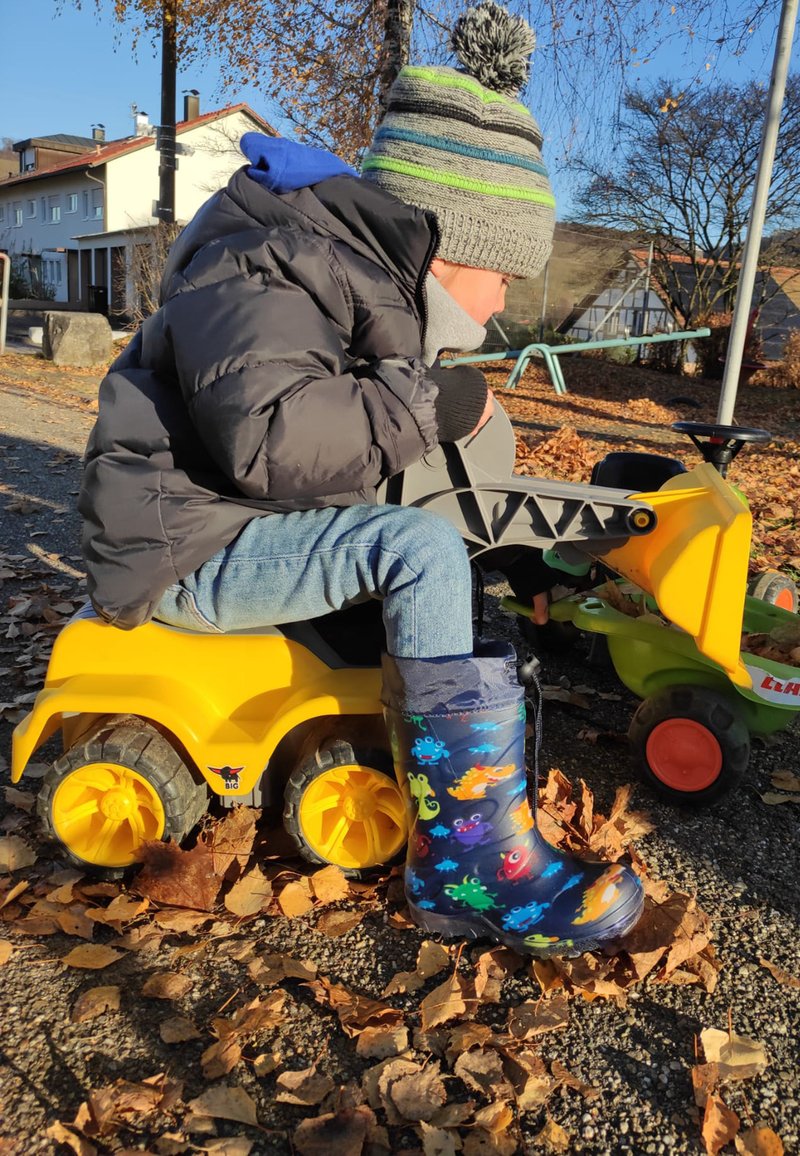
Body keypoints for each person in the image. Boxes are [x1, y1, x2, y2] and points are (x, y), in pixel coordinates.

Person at [79, 0, 643, 956]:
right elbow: (267, 436)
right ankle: (462, 867)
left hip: (226, 525)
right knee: (417, 548)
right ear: (454, 244)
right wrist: (424, 405)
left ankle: (469, 776)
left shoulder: (337, 275)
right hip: (184, 549)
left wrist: (514, 546)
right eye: (505, 276)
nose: (505, 303)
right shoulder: (266, 265)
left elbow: (353, 452)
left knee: (435, 538)